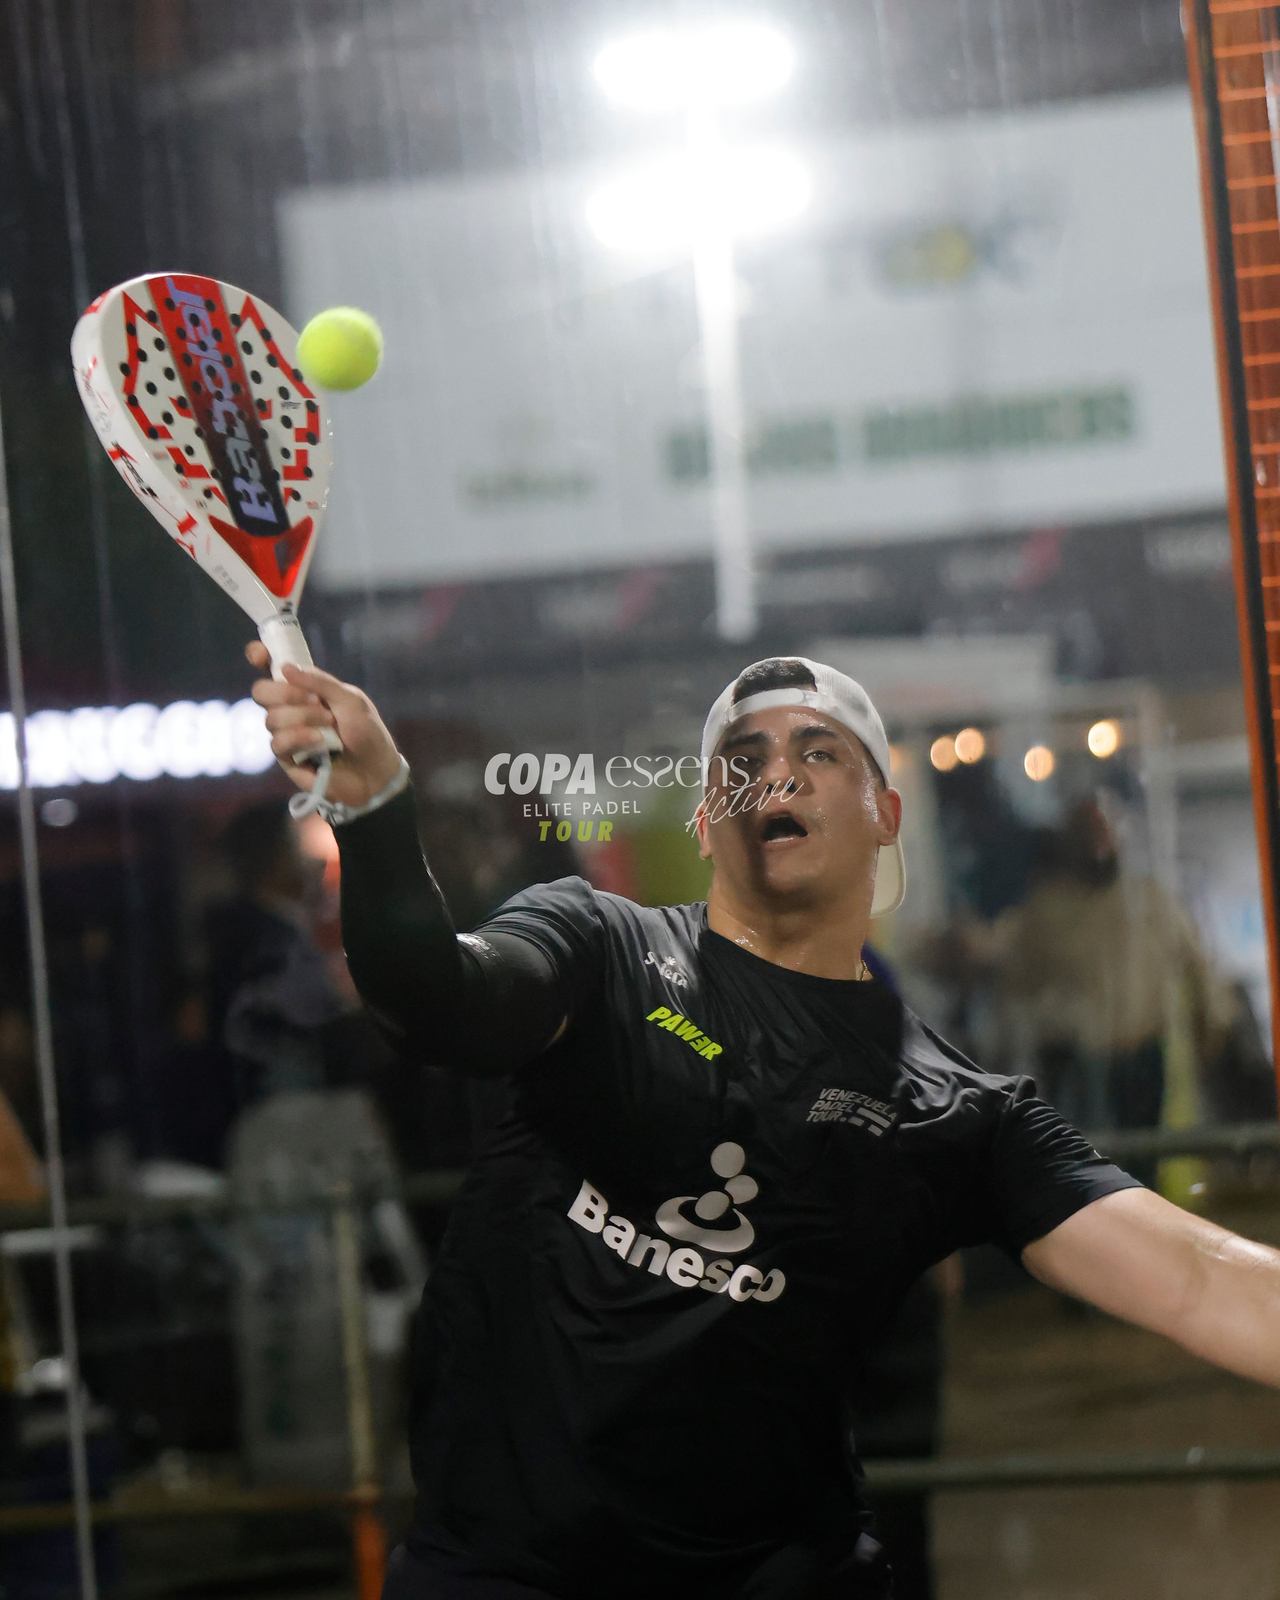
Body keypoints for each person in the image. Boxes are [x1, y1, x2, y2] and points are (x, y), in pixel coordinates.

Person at [249, 645, 1280, 1600]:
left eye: (817, 752)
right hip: (495, 1577)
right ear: (705, 822)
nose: (776, 772)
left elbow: (1198, 1278)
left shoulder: (954, 1109)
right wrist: (376, 813)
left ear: (884, 812)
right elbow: (436, 998)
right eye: (742, 761)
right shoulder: (597, 948)